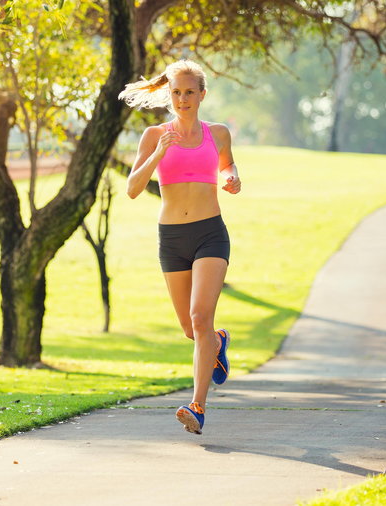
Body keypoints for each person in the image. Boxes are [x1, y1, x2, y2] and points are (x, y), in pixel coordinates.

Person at [119, 60, 241, 435]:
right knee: (192, 329)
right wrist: (157, 154)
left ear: (202, 94)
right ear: (168, 96)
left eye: (190, 92)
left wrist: (232, 176)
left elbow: (227, 166)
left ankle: (198, 406)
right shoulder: (155, 135)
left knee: (201, 318)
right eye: (176, 92)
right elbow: (133, 189)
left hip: (209, 233)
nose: (183, 99)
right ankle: (218, 341)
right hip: (171, 238)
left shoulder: (217, 133)